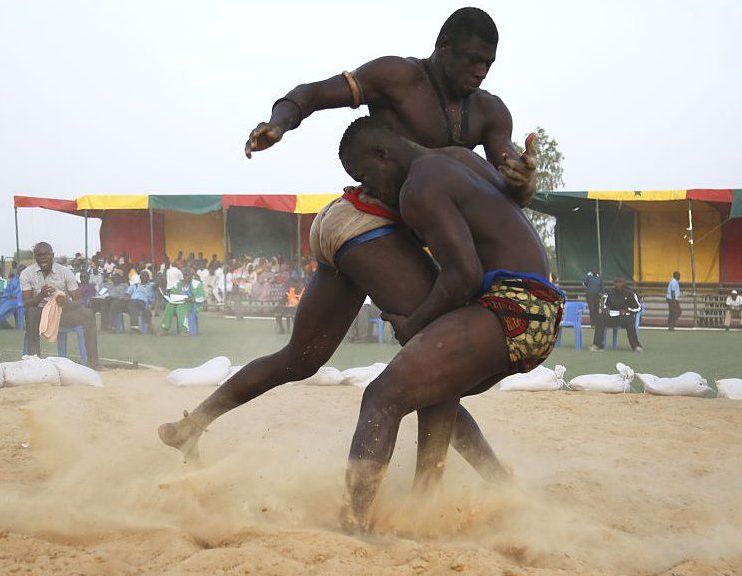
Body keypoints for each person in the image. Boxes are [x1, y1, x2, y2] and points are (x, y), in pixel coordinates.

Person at [160, 7, 530, 486]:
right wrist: (279, 124)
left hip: (363, 233)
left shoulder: (489, 111)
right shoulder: (398, 76)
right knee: (433, 344)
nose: (480, 71)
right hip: (365, 221)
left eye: (489, 62)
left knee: (302, 358)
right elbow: (312, 94)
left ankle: (192, 426)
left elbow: (507, 177)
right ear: (443, 48)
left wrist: (524, 177)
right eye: (472, 59)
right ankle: (478, 485)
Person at [331, 118, 562, 530]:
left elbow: (463, 275)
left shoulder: (418, 187)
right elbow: (510, 204)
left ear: (383, 154)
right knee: (434, 391)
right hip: (538, 308)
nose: (368, 190)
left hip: (513, 306)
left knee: (382, 396)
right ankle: (426, 509)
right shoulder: (458, 159)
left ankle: (351, 525)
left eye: (365, 177)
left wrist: (412, 323)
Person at [21, 242, 102, 369]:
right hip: (41, 313)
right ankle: (34, 362)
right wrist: (40, 295)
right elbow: (26, 302)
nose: (42, 258)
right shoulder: (27, 273)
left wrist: (66, 303)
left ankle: (93, 362)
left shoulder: (65, 272)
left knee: (88, 314)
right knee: (30, 312)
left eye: (46, 254)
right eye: (39, 255)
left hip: (63, 313)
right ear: (34, 257)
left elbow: (79, 300)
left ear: (52, 255)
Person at [589, 276, 643, 352]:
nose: (618, 284)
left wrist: (627, 310)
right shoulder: (610, 293)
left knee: (629, 321)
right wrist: (606, 309)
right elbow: (605, 305)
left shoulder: (631, 293)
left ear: (624, 283)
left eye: (620, 282)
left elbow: (639, 307)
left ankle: (636, 346)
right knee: (600, 318)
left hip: (625, 317)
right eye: (616, 282)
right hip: (612, 316)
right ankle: (597, 345)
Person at [160, 266, 203, 335]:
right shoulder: (178, 283)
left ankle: (184, 330)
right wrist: (168, 295)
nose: (185, 277)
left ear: (191, 275)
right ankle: (165, 329)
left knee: (181, 308)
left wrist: (192, 299)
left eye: (187, 275)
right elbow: (172, 293)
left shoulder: (197, 284)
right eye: (184, 275)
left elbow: (202, 297)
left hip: (192, 304)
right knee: (169, 306)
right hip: (179, 302)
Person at [0, 264, 26, 328]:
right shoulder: (14, 279)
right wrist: (5, 296)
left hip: (23, 302)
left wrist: (15, 297)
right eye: (20, 270)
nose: (21, 272)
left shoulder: (29, 280)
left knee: (8, 305)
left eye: (23, 270)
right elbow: (8, 290)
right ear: (18, 271)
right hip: (12, 300)